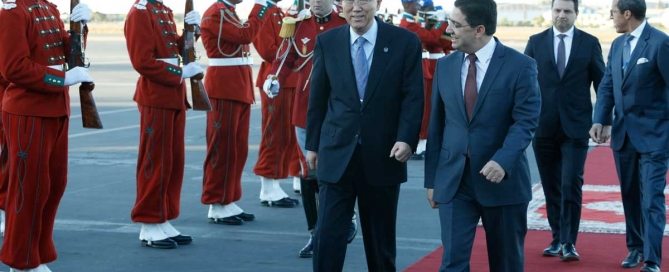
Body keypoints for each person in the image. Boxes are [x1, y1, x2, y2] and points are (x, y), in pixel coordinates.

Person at [305, 0, 424, 268]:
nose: (357, 8)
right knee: (327, 239)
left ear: (378, 3)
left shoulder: (404, 42)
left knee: (380, 243)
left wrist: (406, 138)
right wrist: (313, 145)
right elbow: (318, 97)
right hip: (336, 155)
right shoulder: (327, 42)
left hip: (383, 155)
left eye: (364, 1)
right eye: (350, 1)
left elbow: (413, 97)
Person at [424, 0, 541, 271]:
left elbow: (525, 122)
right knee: (452, 263)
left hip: (503, 184)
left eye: (455, 24)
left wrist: (503, 160)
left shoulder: (521, 66)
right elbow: (437, 127)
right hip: (455, 183)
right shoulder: (446, 66)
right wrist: (433, 179)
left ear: (479, 29)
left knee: (506, 263)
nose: (447, 29)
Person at [0, 0, 93, 270]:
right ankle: (21, 260)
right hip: (29, 110)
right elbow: (13, 67)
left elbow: (64, 50)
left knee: (53, 185)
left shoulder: (48, 8)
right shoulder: (13, 11)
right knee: (29, 190)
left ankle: (36, 253)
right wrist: (61, 79)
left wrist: (81, 28)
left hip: (55, 108)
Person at [264, 0, 352, 258]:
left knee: (339, 170)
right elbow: (284, 58)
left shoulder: (345, 23)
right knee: (308, 172)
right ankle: (315, 232)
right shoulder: (297, 24)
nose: (315, 2)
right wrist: (274, 78)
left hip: (338, 111)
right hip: (305, 110)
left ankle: (346, 218)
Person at [590, 0, 669, 270]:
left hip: (655, 137)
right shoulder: (618, 45)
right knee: (630, 196)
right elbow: (608, 85)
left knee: (652, 199)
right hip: (623, 137)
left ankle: (651, 259)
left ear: (627, 13)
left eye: (613, 12)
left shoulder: (660, 43)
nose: (610, 17)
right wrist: (600, 118)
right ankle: (635, 248)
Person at [524, 0, 604, 261]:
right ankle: (557, 237)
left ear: (576, 14)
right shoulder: (535, 42)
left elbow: (602, 84)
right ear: (551, 12)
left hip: (576, 127)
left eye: (567, 11)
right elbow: (522, 84)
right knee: (550, 186)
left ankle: (569, 242)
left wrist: (603, 119)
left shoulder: (589, 43)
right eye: (557, 10)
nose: (561, 15)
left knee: (571, 183)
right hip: (543, 127)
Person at [125, 0, 202, 249]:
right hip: (156, 96)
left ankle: (163, 217)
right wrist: (179, 74)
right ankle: (149, 222)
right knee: (154, 161)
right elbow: (142, 61)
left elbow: (175, 50)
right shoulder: (140, 13)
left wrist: (193, 32)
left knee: (172, 162)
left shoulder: (161, 10)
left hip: (172, 96)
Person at [199, 0, 267, 226]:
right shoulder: (217, 13)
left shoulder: (228, 12)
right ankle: (216, 201)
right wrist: (261, 6)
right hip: (224, 87)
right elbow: (244, 36)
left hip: (236, 85)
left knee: (236, 149)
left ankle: (227, 199)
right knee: (222, 148)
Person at [252, 0, 302, 208]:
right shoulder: (261, 12)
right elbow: (268, 50)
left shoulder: (275, 11)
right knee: (274, 134)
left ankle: (276, 182)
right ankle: (268, 185)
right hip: (275, 79)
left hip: (288, 78)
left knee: (288, 135)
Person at [399, 0, 448, 160]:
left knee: (431, 106)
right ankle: (421, 141)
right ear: (408, 5)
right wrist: (440, 23)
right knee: (425, 107)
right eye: (417, 5)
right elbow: (432, 38)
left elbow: (444, 42)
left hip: (429, 67)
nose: (420, 8)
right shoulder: (408, 24)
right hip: (422, 69)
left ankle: (425, 139)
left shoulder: (416, 22)